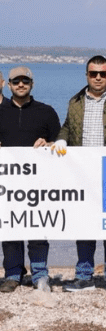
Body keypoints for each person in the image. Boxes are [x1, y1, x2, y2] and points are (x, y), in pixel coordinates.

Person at [53, 55, 106, 294]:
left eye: (103, 73)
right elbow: (68, 127)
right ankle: (84, 275)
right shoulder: (75, 101)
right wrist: (61, 140)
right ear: (87, 75)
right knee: (84, 226)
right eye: (94, 74)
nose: (98, 77)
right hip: (82, 175)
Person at [0, 65, 60, 293]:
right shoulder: (0, 111)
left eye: (25, 81)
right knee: (10, 228)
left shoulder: (46, 111)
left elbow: (62, 142)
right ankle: (13, 274)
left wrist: (50, 143)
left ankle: (40, 274)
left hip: (39, 185)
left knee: (38, 226)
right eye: (16, 81)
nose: (21, 85)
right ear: (9, 84)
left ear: (32, 84)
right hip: (7, 185)